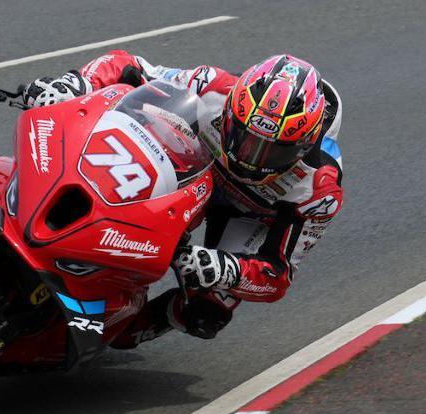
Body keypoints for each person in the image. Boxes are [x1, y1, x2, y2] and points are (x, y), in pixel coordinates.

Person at [22, 50, 344, 347]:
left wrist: (223, 269)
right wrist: (77, 83)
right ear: (233, 108)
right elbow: (129, 65)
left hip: (249, 215)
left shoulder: (320, 187)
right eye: (244, 136)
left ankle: (124, 328)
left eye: (272, 151)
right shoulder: (212, 86)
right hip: (199, 167)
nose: (250, 158)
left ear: (303, 147)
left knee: (206, 313)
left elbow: (277, 274)